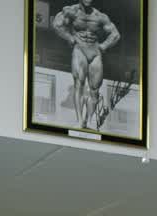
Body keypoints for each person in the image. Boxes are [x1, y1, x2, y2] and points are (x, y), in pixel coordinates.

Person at [52, 0, 121, 130]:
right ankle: (79, 121)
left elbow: (115, 34)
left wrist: (104, 46)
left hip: (95, 52)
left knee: (95, 90)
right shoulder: (71, 11)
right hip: (80, 49)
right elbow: (57, 25)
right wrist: (69, 38)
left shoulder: (100, 16)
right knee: (79, 84)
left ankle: (88, 121)